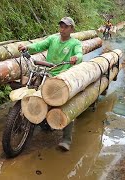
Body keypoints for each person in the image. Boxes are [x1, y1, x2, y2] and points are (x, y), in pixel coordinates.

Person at [18, 17, 83, 151]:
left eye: (66, 27)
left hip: (63, 76)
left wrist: (76, 58)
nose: (62, 29)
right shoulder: (53, 39)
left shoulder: (75, 43)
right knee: (34, 87)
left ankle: (66, 139)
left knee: (64, 104)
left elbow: (79, 54)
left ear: (72, 29)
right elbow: (39, 45)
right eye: (61, 26)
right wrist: (27, 47)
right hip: (48, 71)